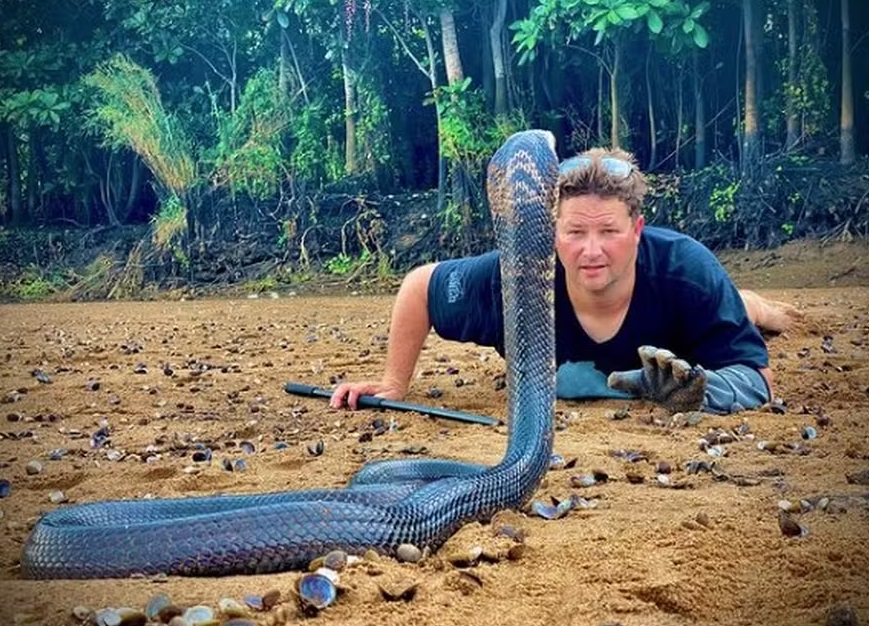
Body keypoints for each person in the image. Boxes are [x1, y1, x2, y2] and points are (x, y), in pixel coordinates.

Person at [331, 147, 789, 415]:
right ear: (553, 233)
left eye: (609, 231)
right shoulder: (514, 276)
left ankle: (752, 305)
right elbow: (419, 287)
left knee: (743, 308)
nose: (591, 251)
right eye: (574, 232)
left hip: (689, 319)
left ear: (636, 230)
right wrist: (393, 384)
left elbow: (758, 377)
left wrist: (701, 391)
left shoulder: (686, 270)